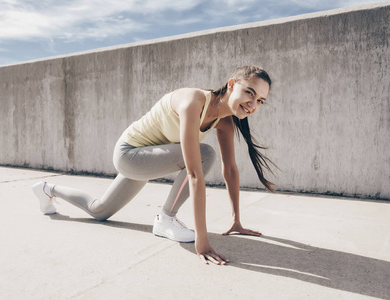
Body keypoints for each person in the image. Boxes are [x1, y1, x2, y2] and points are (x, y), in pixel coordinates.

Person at [32, 65, 276, 265]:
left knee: (99, 210)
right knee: (205, 154)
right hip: (130, 154)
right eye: (250, 93)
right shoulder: (194, 101)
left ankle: (47, 189)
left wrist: (236, 220)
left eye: (261, 101)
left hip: (149, 158)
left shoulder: (225, 122)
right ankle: (166, 218)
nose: (253, 104)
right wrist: (202, 240)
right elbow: (193, 173)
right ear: (232, 84)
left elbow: (231, 169)